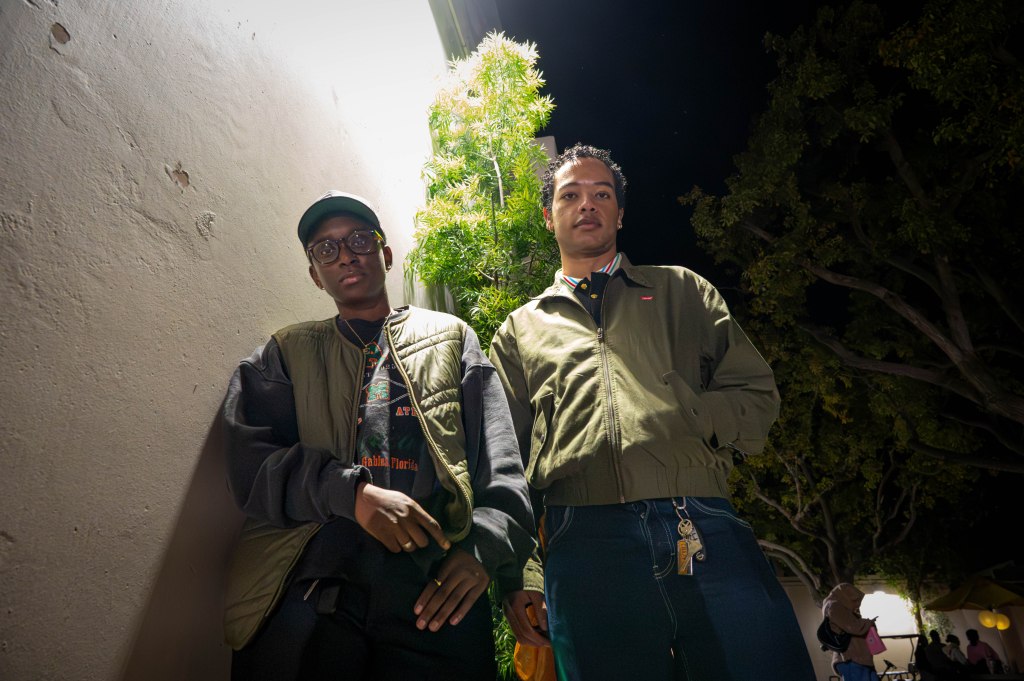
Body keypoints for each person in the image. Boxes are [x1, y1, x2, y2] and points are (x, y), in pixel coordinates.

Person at [488, 144, 815, 680]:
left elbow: (757, 394)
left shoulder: (682, 290)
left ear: (620, 214)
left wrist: (686, 416)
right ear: (549, 216)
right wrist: (522, 571)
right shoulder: (519, 330)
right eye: (570, 195)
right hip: (582, 539)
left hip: (702, 522)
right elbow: (506, 463)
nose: (587, 204)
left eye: (602, 194)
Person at [221, 191, 541, 680]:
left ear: (386, 254)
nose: (345, 255)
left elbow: (501, 468)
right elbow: (250, 464)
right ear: (315, 274)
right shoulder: (286, 351)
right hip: (318, 576)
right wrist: (353, 495)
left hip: (435, 581)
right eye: (325, 249)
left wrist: (482, 550)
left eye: (358, 240)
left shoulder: (452, 338)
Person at [822, 584, 880, 681]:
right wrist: (869, 622)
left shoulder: (836, 606)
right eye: (854, 600)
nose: (857, 604)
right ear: (845, 596)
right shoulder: (834, 606)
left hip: (856, 658)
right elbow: (853, 627)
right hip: (852, 658)